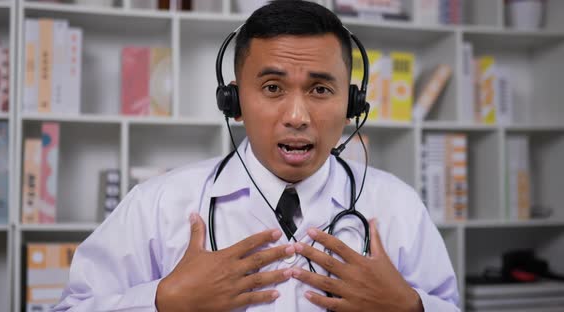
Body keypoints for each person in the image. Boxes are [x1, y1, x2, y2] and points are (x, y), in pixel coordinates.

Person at [54, 1, 459, 311]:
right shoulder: (158, 205)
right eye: (272, 88)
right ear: (233, 101)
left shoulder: (398, 207)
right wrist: (162, 301)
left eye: (320, 90)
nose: (297, 117)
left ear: (352, 102)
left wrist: (412, 307)